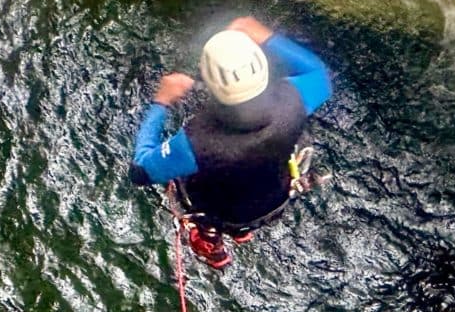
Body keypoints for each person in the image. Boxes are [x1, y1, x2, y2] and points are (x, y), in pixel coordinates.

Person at [130, 16, 332, 267]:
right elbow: (319, 72)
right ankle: (242, 233)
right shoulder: (295, 100)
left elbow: (140, 170)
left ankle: (211, 243)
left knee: (209, 215)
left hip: (221, 212)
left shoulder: (196, 143)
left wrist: (161, 102)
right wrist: (266, 36)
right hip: (275, 200)